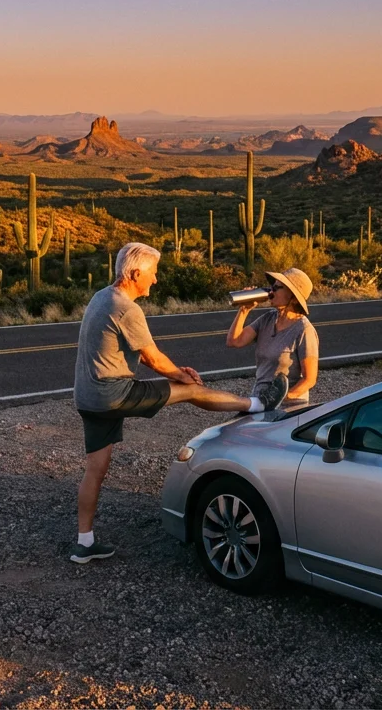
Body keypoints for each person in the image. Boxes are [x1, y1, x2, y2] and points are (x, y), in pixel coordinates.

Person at [71, 242, 287, 564]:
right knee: (192, 392)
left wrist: (175, 372)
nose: (155, 280)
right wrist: (182, 377)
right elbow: (153, 357)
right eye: (153, 273)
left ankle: (84, 543)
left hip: (88, 398)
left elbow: (135, 353)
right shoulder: (126, 307)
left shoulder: (101, 296)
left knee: (95, 470)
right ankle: (258, 404)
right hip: (113, 395)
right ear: (134, 273)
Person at [226, 267, 319, 409]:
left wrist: (282, 398)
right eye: (271, 287)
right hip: (260, 399)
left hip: (288, 407)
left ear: (293, 298)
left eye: (277, 288)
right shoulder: (267, 319)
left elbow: (309, 379)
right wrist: (244, 309)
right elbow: (234, 341)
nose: (271, 291)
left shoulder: (304, 330)